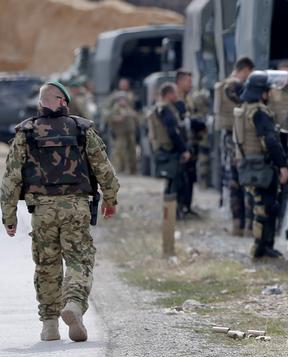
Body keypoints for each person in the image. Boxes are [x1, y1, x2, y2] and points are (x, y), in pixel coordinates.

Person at [1, 81, 119, 342]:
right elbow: (103, 168)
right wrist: (110, 199)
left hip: (42, 210)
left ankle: (50, 325)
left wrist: (8, 216)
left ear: (42, 104)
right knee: (79, 260)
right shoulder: (81, 129)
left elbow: (10, 179)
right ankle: (74, 305)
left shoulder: (26, 132)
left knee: (46, 265)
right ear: (63, 102)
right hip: (75, 207)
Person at [235, 71, 288, 259]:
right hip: (262, 166)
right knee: (267, 206)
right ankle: (262, 247)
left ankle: (263, 246)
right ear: (262, 93)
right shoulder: (258, 112)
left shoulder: (244, 109)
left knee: (263, 205)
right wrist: (282, 165)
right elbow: (270, 141)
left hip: (249, 163)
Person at [216, 57, 255, 236]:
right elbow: (244, 99)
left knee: (234, 181)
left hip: (230, 137)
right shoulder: (234, 86)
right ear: (245, 69)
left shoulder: (224, 85)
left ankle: (238, 224)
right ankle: (246, 225)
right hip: (237, 138)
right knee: (242, 180)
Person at [147, 82, 191, 211]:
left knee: (171, 182)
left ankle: (171, 212)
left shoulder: (158, 108)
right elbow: (173, 132)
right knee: (175, 183)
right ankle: (173, 212)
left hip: (163, 149)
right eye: (175, 93)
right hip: (170, 149)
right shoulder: (166, 110)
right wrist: (183, 150)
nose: (177, 96)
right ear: (169, 94)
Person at [175, 70, 210, 215]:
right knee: (181, 177)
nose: (191, 84)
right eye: (188, 81)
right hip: (182, 144)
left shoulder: (188, 98)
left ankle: (187, 207)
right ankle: (179, 207)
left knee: (190, 176)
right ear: (180, 81)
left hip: (192, 142)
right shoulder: (176, 98)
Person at [106, 94, 140, 175]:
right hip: (120, 133)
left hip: (130, 132)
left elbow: (136, 118)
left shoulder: (128, 108)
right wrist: (118, 118)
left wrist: (133, 115)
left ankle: (133, 169)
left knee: (132, 151)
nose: (123, 102)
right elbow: (109, 118)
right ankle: (119, 168)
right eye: (121, 100)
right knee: (119, 151)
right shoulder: (115, 109)